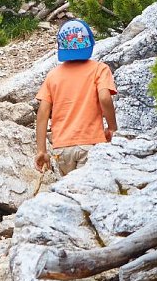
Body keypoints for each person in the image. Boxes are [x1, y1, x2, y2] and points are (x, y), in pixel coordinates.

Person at [34, 19, 117, 176]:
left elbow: (42, 114)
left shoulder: (53, 75)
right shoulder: (100, 69)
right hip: (90, 145)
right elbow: (105, 98)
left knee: (71, 194)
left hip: (62, 150)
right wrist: (112, 127)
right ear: (91, 43)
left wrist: (41, 150)